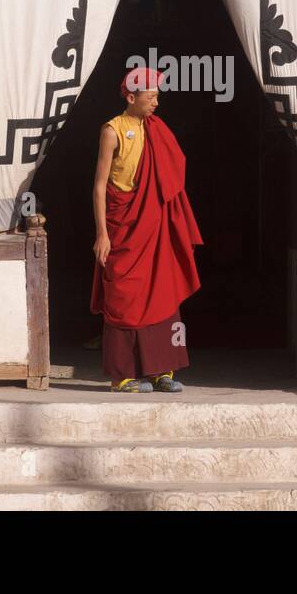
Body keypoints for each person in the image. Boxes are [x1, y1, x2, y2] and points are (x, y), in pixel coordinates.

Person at [91, 67, 203, 393]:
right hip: (123, 225)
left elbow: (171, 175)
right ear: (131, 96)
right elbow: (99, 186)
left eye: (157, 96)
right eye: (151, 96)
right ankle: (122, 376)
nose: (156, 102)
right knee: (124, 296)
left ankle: (161, 371)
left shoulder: (157, 128)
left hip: (154, 225)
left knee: (162, 291)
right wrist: (102, 233)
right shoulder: (112, 130)